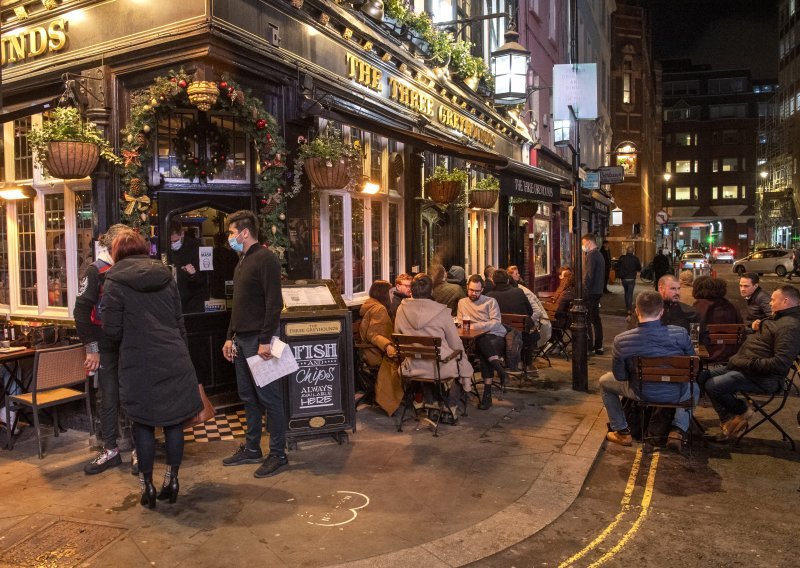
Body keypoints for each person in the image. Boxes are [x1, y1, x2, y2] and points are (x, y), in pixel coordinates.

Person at [102, 231, 203, 508]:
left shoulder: (114, 282)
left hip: (139, 363)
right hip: (174, 356)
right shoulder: (165, 275)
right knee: (174, 422)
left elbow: (111, 331)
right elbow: (178, 320)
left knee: (143, 424)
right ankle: (172, 479)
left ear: (116, 253)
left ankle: (146, 486)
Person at [221, 211, 287, 478]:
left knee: (269, 398)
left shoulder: (266, 259)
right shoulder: (242, 260)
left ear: (244, 232)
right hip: (241, 339)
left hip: (260, 341)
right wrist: (229, 336)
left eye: (230, 232)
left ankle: (278, 454)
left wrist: (264, 341)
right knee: (248, 397)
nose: (229, 238)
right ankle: (252, 448)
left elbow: (274, 304)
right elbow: (239, 305)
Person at [600, 291, 698, 452]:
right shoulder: (680, 334)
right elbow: (691, 366)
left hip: (642, 393)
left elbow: (620, 376)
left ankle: (622, 431)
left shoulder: (622, 340)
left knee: (604, 382)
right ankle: (677, 431)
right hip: (676, 393)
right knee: (695, 386)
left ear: (637, 311)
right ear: (661, 311)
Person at [76, 224, 138, 476]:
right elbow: (80, 312)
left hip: (132, 341)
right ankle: (110, 450)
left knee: (135, 393)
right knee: (108, 395)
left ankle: (138, 450)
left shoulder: (132, 267)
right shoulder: (96, 270)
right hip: (106, 342)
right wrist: (92, 348)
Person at [701, 285, 800, 441]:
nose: (770, 303)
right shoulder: (780, 318)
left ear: (786, 301)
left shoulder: (790, 327)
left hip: (763, 378)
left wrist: (747, 363)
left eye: (773, 300)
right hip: (745, 367)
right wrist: (760, 325)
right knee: (702, 376)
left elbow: (780, 363)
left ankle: (742, 410)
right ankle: (728, 420)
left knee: (713, 385)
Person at [395, 274, 474, 416]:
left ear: (412, 291)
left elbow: (397, 335)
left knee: (426, 360)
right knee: (461, 362)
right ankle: (450, 406)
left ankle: (430, 402)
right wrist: (463, 358)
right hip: (439, 368)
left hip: (413, 366)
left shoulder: (401, 309)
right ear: (431, 291)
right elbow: (455, 343)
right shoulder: (442, 312)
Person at [456, 275, 507, 409]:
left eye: (477, 291)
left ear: (482, 289)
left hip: (494, 336)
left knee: (485, 346)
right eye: (471, 290)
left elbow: (496, 322)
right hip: (475, 339)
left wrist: (476, 327)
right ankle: (497, 367)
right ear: (467, 287)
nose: (473, 293)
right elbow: (460, 322)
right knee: (483, 345)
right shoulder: (462, 302)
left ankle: (487, 395)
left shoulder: (490, 301)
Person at [358, 280, 402, 416]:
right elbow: (373, 334)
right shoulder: (379, 309)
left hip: (369, 351)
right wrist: (387, 345)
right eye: (390, 292)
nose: (393, 296)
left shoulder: (372, 306)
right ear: (383, 294)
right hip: (375, 354)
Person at [487, 269, 536, 373]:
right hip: (522, 333)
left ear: (493, 282)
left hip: (498, 335)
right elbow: (530, 312)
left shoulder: (489, 296)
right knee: (532, 331)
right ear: (508, 281)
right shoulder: (518, 291)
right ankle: (527, 363)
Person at [691, 276, 742, 363]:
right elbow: (740, 330)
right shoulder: (731, 306)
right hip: (730, 352)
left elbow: (693, 335)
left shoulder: (698, 307)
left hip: (705, 352)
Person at [168, 222, 208, 313]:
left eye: (175, 241)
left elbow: (204, 277)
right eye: (170, 242)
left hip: (192, 301)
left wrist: (193, 274)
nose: (173, 244)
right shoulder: (166, 249)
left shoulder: (196, 248)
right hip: (173, 298)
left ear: (182, 234)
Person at [582, 234, 605, 355]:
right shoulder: (599, 255)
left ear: (589, 243)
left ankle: (589, 346)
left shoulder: (591, 256)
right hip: (598, 290)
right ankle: (599, 345)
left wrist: (584, 290)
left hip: (591, 292)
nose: (583, 246)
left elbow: (589, 275)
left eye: (584, 243)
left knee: (587, 319)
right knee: (596, 319)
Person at [209, 232, 239, 299]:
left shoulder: (210, 254)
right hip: (230, 286)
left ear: (214, 241)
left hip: (215, 288)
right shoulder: (233, 254)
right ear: (226, 241)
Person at [617, 246, 642, 313]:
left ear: (626, 251)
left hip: (624, 278)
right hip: (631, 278)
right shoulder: (635, 259)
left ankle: (627, 305)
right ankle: (629, 309)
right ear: (633, 251)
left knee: (626, 292)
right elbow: (639, 268)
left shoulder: (622, 258)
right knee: (630, 293)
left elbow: (617, 266)